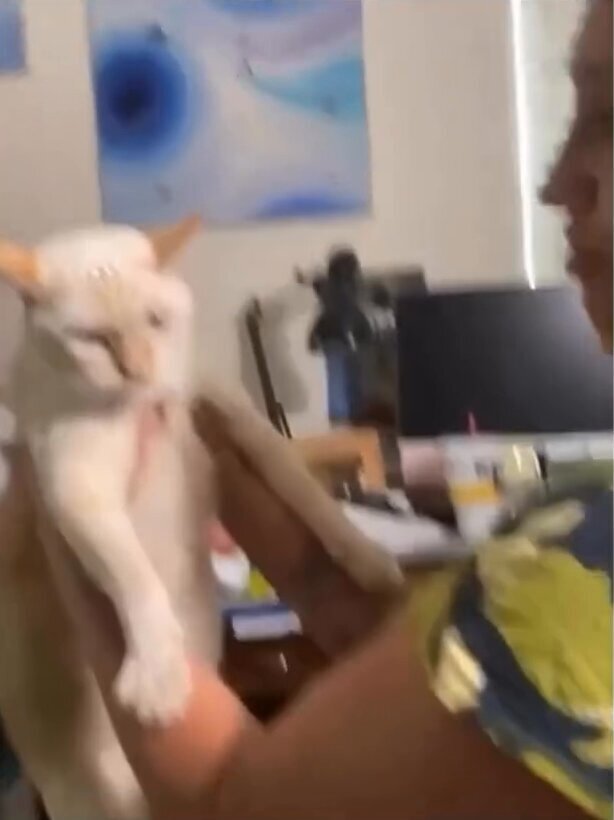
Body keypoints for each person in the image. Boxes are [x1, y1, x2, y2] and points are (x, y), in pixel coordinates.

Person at [2, 1, 612, 818]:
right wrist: (329, 576)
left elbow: (232, 805)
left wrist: (64, 508)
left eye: (608, 121)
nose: (554, 182)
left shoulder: (585, 565)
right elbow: (454, 684)